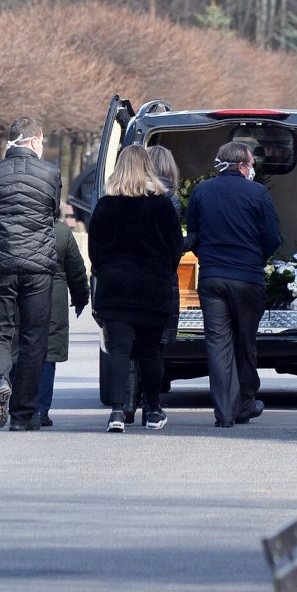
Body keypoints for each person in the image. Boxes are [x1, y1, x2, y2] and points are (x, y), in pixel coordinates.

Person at [0, 117, 62, 431]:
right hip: (38, 269)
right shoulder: (50, 173)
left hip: (0, 266)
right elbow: (53, 213)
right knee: (34, 339)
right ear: (36, 140)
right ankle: (23, 416)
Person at [88, 145, 184, 433]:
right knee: (150, 351)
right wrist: (161, 271)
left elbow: (95, 251)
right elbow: (174, 249)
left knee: (118, 349)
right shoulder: (162, 205)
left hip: (115, 289)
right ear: (148, 169)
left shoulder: (105, 206)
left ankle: (117, 412)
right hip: (152, 290)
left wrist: (106, 272)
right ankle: (153, 410)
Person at [186, 140, 281, 428]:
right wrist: (256, 259)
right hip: (247, 278)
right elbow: (273, 237)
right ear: (241, 165)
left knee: (217, 344)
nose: (253, 169)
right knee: (245, 342)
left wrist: (211, 259)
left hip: (212, 278)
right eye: (251, 165)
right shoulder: (258, 193)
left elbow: (194, 234)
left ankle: (223, 412)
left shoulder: (201, 191)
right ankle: (246, 403)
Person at [0, 212, 88, 428]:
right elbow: (76, 270)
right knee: (45, 355)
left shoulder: (2, 229)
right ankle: (39, 409)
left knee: (13, 350)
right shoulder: (60, 231)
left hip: (8, 298)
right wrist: (81, 297)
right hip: (50, 302)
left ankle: (6, 390)